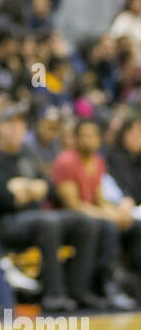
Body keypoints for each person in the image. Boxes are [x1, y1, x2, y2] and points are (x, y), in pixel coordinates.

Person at [0, 106, 102, 311]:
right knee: (48, 221)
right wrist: (32, 188)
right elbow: (5, 198)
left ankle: (79, 289)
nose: (16, 129)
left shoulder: (27, 154)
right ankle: (54, 294)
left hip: (33, 216)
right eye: (10, 124)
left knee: (85, 222)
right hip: (5, 223)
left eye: (20, 124)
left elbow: (50, 188)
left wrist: (24, 188)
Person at [51, 117, 139, 307]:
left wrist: (118, 214)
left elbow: (99, 200)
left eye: (92, 136)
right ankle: (106, 286)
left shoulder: (97, 161)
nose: (88, 140)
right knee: (107, 227)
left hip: (92, 216)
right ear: (74, 138)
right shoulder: (65, 162)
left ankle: (132, 284)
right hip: (68, 218)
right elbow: (73, 205)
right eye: (83, 136)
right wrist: (110, 216)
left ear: (100, 139)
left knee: (133, 225)